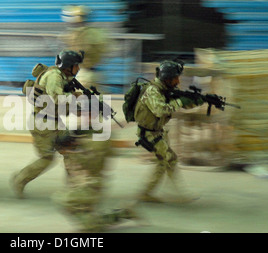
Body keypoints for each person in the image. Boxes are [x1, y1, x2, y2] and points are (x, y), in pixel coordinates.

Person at [52, 100, 142, 232]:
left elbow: (94, 164)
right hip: (77, 183)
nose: (81, 117)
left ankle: (120, 214)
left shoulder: (102, 137)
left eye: (85, 114)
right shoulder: (78, 131)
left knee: (62, 199)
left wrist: (73, 148)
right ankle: (123, 213)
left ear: (94, 115)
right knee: (89, 224)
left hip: (92, 185)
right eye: (80, 114)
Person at [10, 50, 84, 199]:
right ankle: (19, 180)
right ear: (68, 66)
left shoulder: (63, 76)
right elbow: (57, 98)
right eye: (76, 65)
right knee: (47, 158)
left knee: (70, 149)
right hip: (42, 122)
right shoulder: (54, 76)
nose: (79, 69)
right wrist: (75, 97)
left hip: (55, 121)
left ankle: (74, 189)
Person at [134, 60, 203, 203]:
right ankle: (180, 194)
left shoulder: (165, 89)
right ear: (167, 78)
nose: (178, 81)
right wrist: (180, 102)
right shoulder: (153, 91)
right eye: (176, 78)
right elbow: (160, 110)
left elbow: (180, 103)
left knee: (162, 162)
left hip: (159, 131)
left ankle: (146, 193)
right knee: (170, 158)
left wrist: (197, 101)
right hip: (148, 133)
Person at [60, 5, 111, 93]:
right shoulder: (96, 33)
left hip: (82, 74)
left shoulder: (75, 35)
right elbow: (106, 49)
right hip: (95, 73)